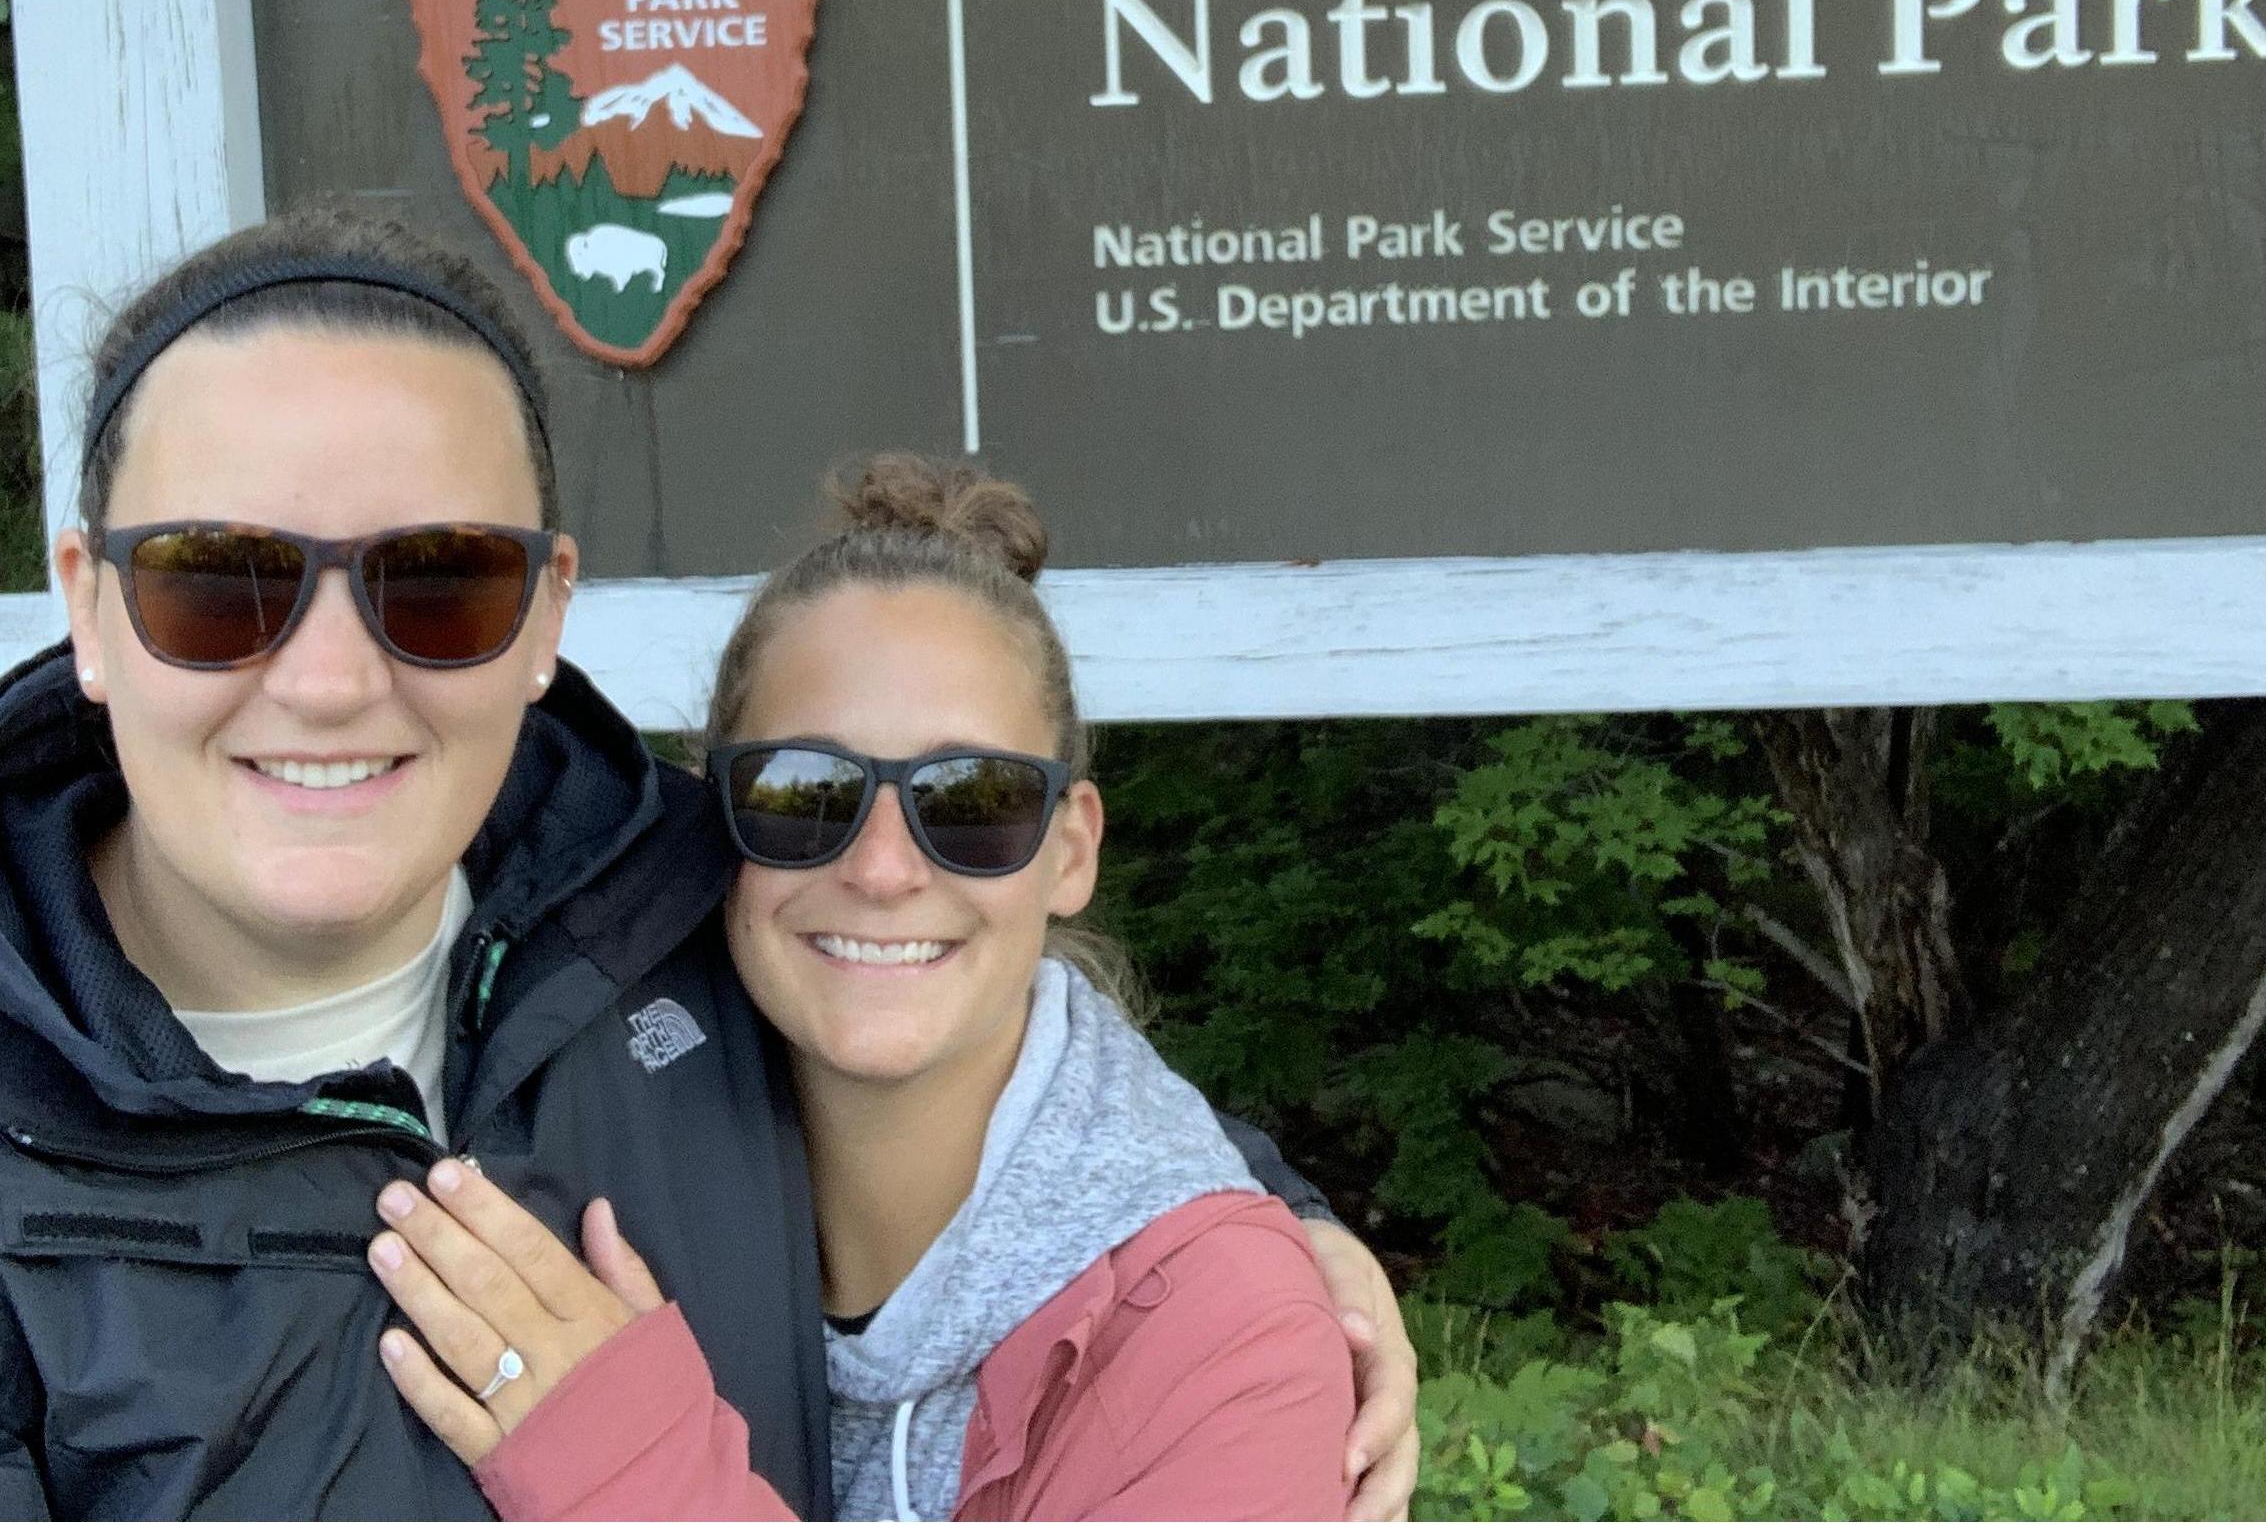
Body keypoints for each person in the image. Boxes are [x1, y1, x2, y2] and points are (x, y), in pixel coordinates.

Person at [0, 206, 1417, 1519]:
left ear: (547, 609)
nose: (323, 678)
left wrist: (1273, 1251)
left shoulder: (666, 895)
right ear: (90, 605)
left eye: (436, 578)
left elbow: (983, 1054)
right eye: (214, 579)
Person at [363, 458, 1356, 1520]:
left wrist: (630, 1473)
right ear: (720, 828)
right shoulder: (632, 1082)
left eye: (973, 802)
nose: (883, 869)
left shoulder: (1225, 1335)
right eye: (805, 793)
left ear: (1071, 850)